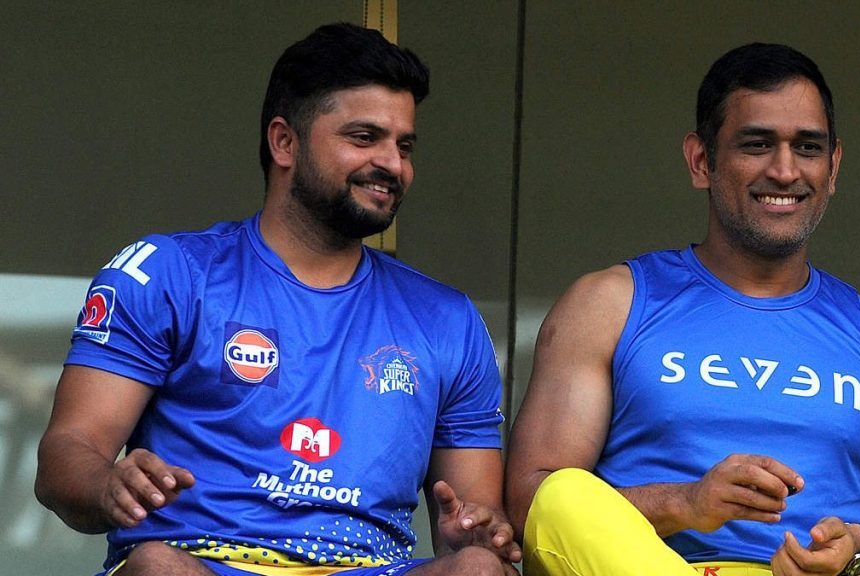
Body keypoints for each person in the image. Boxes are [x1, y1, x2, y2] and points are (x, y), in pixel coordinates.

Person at [504, 43, 860, 575]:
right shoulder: (611, 303)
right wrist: (686, 503)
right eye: (757, 145)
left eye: (808, 147)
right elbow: (531, 503)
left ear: (834, 166)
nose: (784, 170)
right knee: (563, 493)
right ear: (701, 161)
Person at [35, 22, 521, 576]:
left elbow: (473, 515)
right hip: (200, 559)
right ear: (284, 142)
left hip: (366, 567)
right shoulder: (168, 274)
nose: (393, 164)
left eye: (404, 146)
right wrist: (108, 485)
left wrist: (475, 535)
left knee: (479, 570)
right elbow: (66, 454)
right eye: (364, 137)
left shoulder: (448, 319)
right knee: (158, 567)